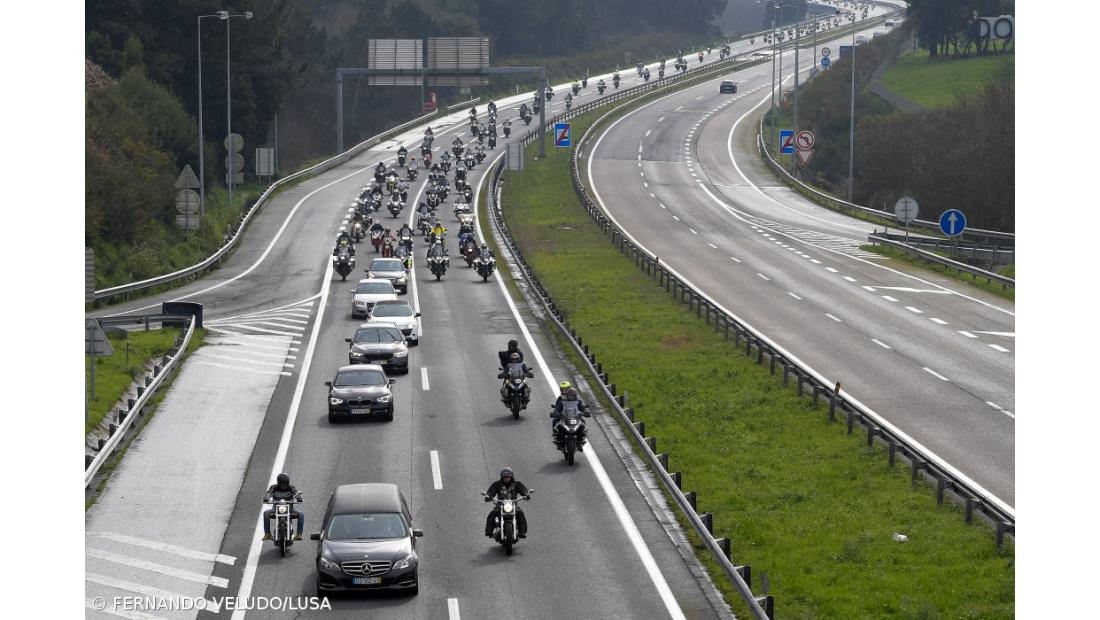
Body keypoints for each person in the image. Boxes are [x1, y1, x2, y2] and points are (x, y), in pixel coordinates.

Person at [483, 468, 529, 538]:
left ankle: (521, 532)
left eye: (508, 477)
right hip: (500, 505)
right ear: (502, 477)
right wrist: (488, 496)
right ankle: (489, 531)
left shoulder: (517, 484)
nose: (506, 479)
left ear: (511, 477)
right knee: (492, 513)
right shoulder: (497, 484)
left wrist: (526, 495)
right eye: (505, 477)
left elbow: (523, 490)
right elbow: (491, 492)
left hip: (513, 505)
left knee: (520, 513)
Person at [262, 473, 304, 541]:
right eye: (282, 484)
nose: (284, 485)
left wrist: (299, 497)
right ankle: (267, 534)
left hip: (290, 509)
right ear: (278, 483)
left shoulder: (291, 488)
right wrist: (266, 498)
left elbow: (296, 493)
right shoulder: (273, 488)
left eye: (285, 484)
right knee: (266, 513)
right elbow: (268, 493)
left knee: (301, 514)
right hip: (275, 509)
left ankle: (299, 534)